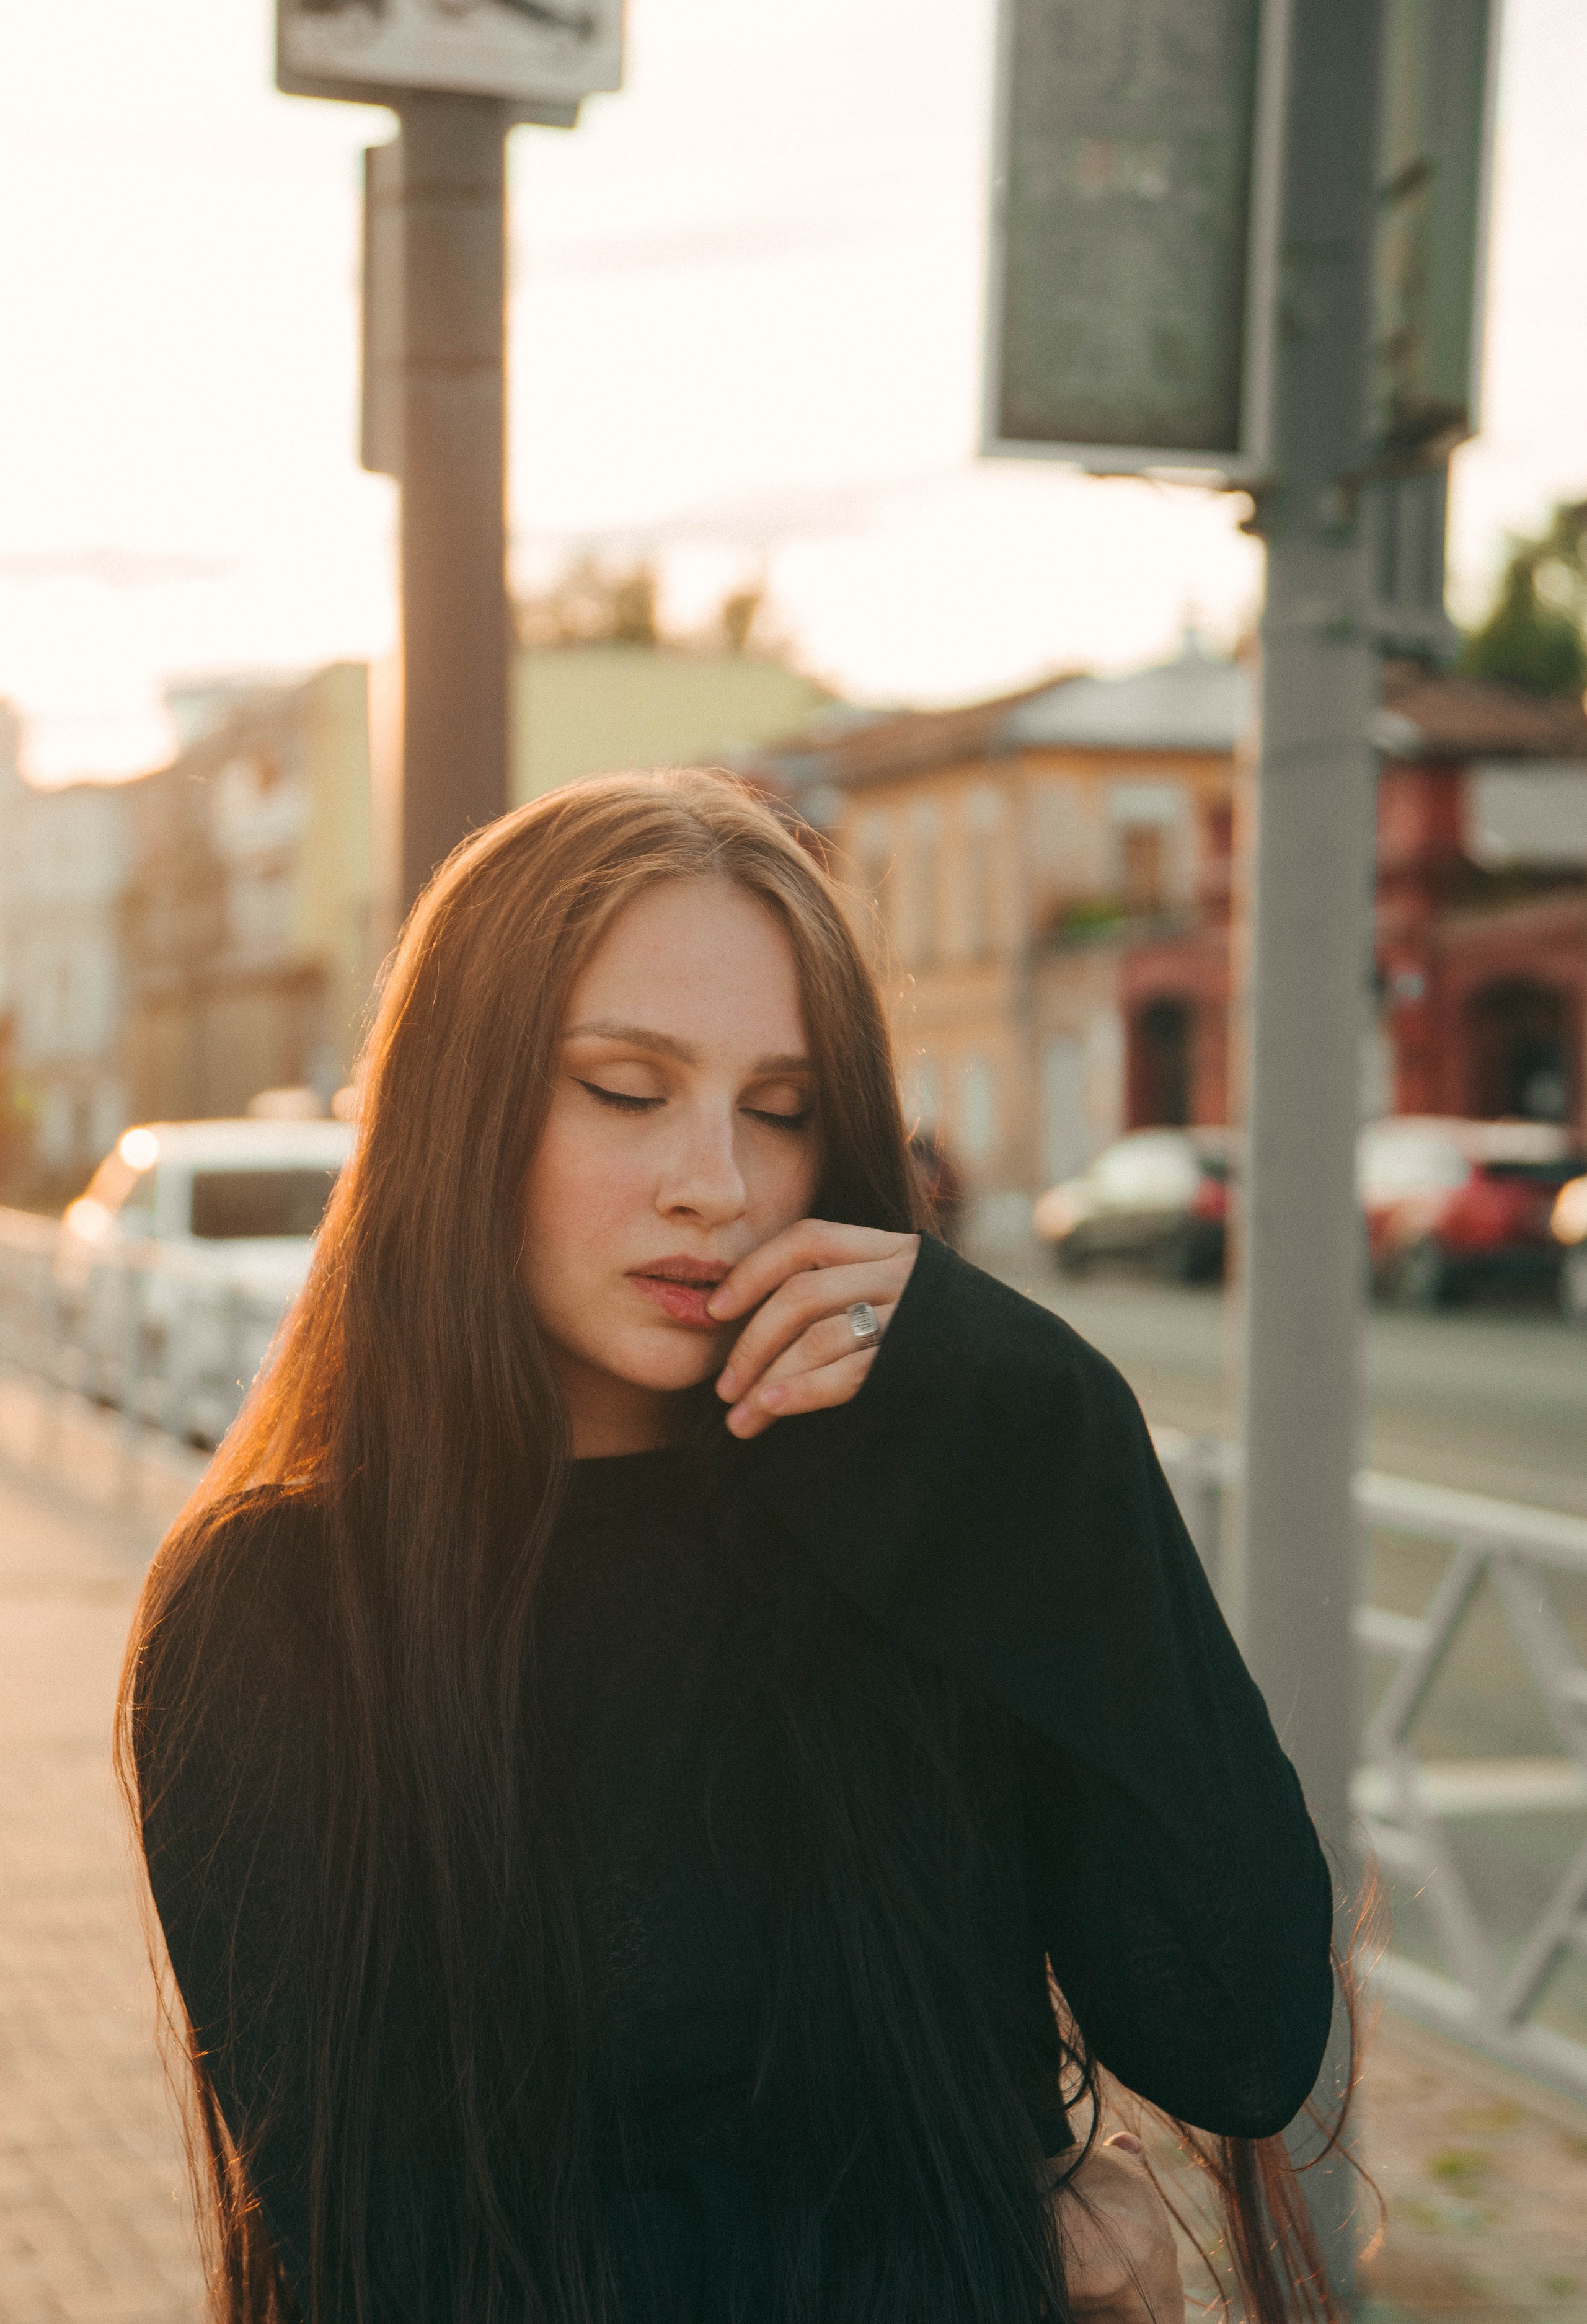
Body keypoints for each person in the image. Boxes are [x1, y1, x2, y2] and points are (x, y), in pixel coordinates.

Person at [121, 771, 1342, 2324]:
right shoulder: (279, 1614)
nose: (714, 1179)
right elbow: (403, 2267)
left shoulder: (915, 1526)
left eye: (779, 1109)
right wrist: (991, 2256)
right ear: (461, 1107)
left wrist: (1061, 1427)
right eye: (626, 1090)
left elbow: (1237, 2041)